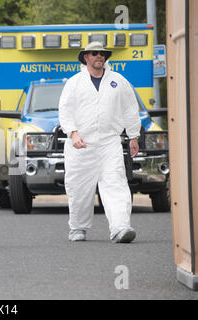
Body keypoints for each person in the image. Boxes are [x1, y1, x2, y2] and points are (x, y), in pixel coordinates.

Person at [59, 41, 141, 243]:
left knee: (116, 183)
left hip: (109, 143)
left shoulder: (118, 81)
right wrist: (73, 134)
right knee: (79, 188)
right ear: (86, 57)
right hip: (81, 145)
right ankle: (78, 227)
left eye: (102, 53)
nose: (99, 56)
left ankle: (121, 227)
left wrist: (133, 136)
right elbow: (65, 111)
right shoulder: (75, 82)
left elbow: (130, 109)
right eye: (95, 53)